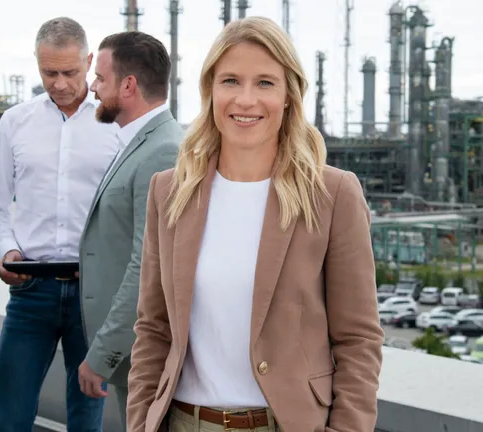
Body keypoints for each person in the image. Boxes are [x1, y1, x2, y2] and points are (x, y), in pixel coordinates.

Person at [127, 16, 384, 432]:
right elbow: (153, 329)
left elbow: (358, 340)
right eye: (230, 81)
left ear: (288, 96)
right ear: (210, 90)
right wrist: (139, 423)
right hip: (184, 422)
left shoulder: (332, 195)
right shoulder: (169, 192)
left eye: (265, 82)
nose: (245, 100)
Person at [0, 17, 118, 431]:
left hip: (94, 295)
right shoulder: (15, 122)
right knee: (11, 420)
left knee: (86, 422)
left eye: (69, 72)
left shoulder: (116, 125)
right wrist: (7, 251)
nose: (57, 83)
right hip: (29, 292)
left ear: (89, 62)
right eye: (48, 72)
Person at [76, 31, 182, 427]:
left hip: (142, 355)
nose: (93, 88)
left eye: (100, 79)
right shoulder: (139, 142)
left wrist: (102, 354)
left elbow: (147, 266)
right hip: (133, 353)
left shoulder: (162, 151)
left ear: (129, 85)